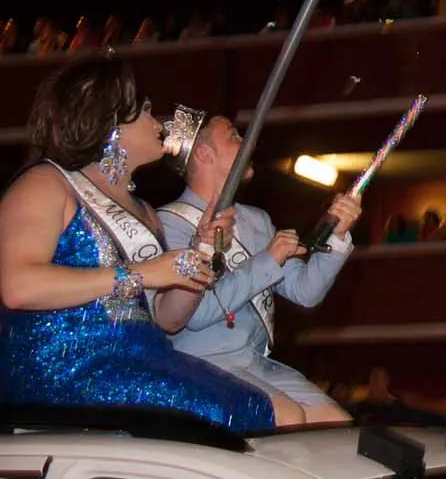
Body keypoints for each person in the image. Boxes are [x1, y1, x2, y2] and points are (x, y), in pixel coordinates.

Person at [0, 55, 295, 433]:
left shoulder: (146, 213)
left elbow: (167, 318)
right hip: (64, 367)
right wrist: (139, 274)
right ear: (110, 122)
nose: (159, 124)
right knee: (255, 415)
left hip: (142, 359)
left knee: (267, 410)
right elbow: (18, 287)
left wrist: (202, 252)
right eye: (146, 111)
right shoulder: (46, 183)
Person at [157, 105, 362, 423]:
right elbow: (195, 316)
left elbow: (305, 292)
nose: (248, 142)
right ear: (204, 154)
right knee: (288, 417)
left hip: (252, 361)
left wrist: (337, 235)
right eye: (234, 136)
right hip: (199, 363)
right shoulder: (170, 224)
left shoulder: (256, 220)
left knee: (337, 425)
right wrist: (268, 260)